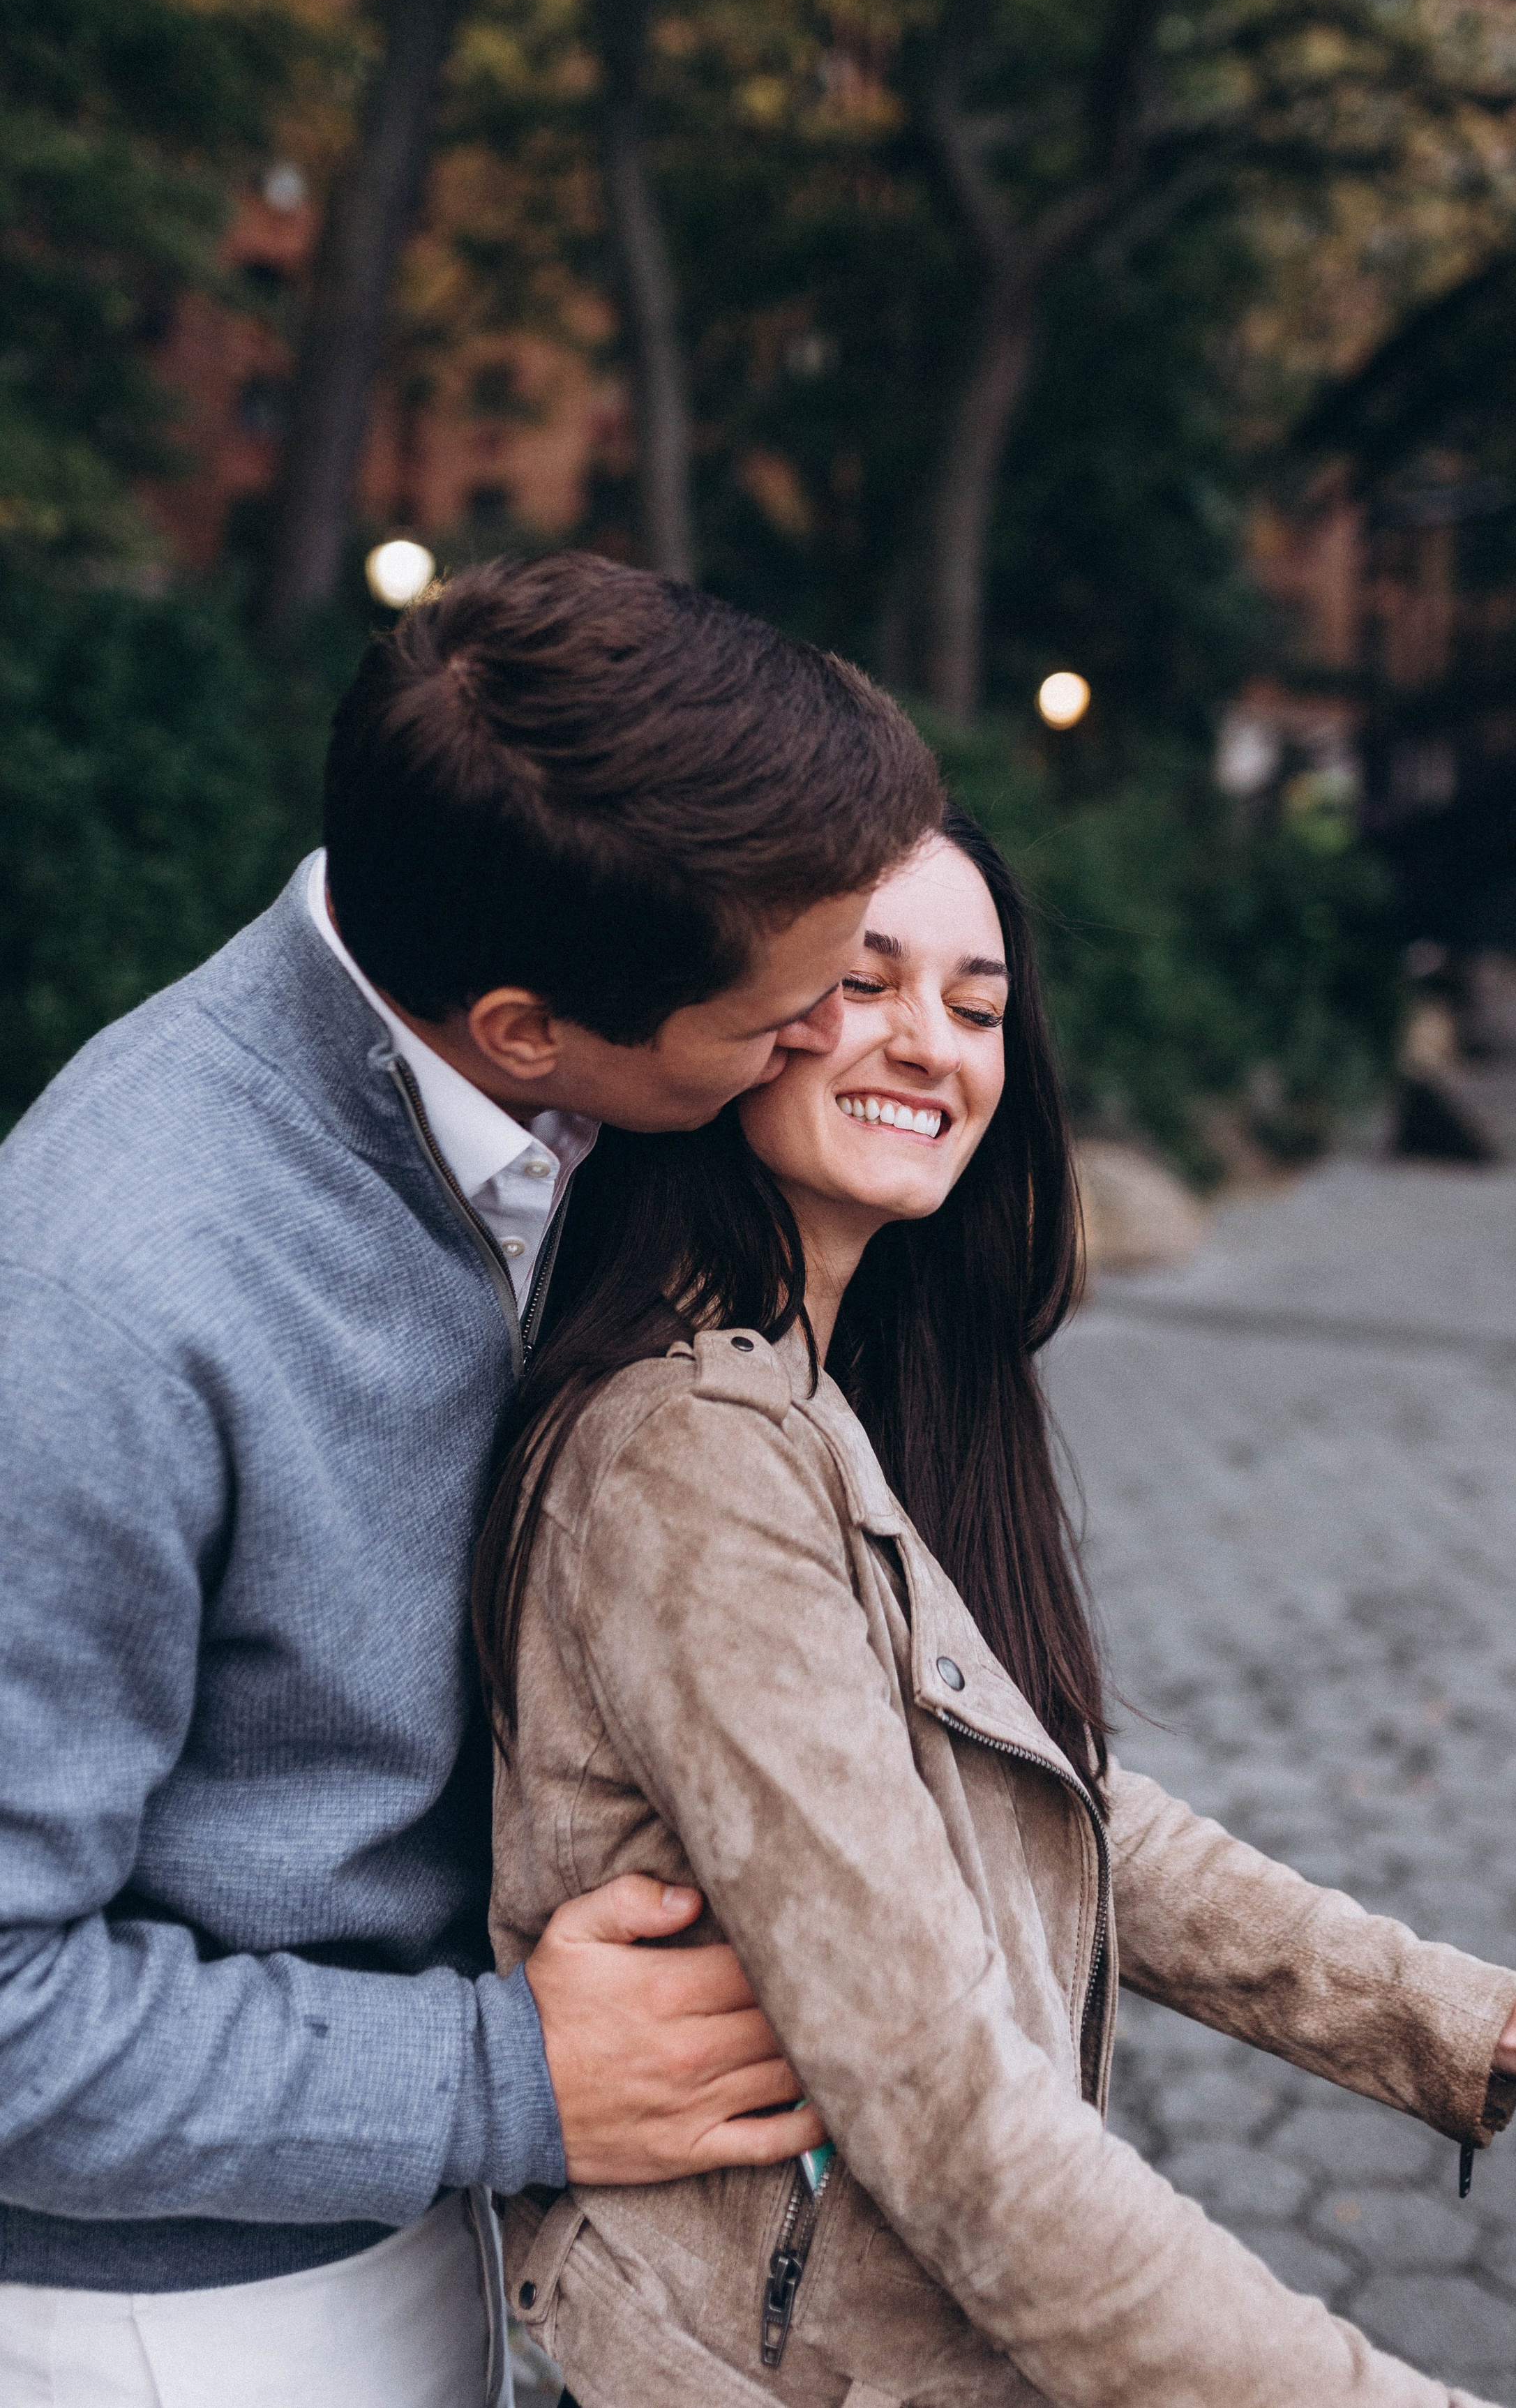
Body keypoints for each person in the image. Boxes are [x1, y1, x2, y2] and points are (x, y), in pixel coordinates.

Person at [481, 808, 1516, 2408]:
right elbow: (944, 2105)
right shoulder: (694, 1455)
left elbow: (1059, 1805)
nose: (927, 1045)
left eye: (975, 1006)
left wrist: (1476, 2016)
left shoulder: (819, 1388)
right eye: (862, 980)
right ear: (740, 1013)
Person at [0, 555, 940, 2407]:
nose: (833, 1034)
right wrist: (511, 2070)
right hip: (189, 2324)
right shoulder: (105, 1295)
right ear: (527, 1025)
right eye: (782, 1013)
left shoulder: (540, 1096)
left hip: (444, 2220)